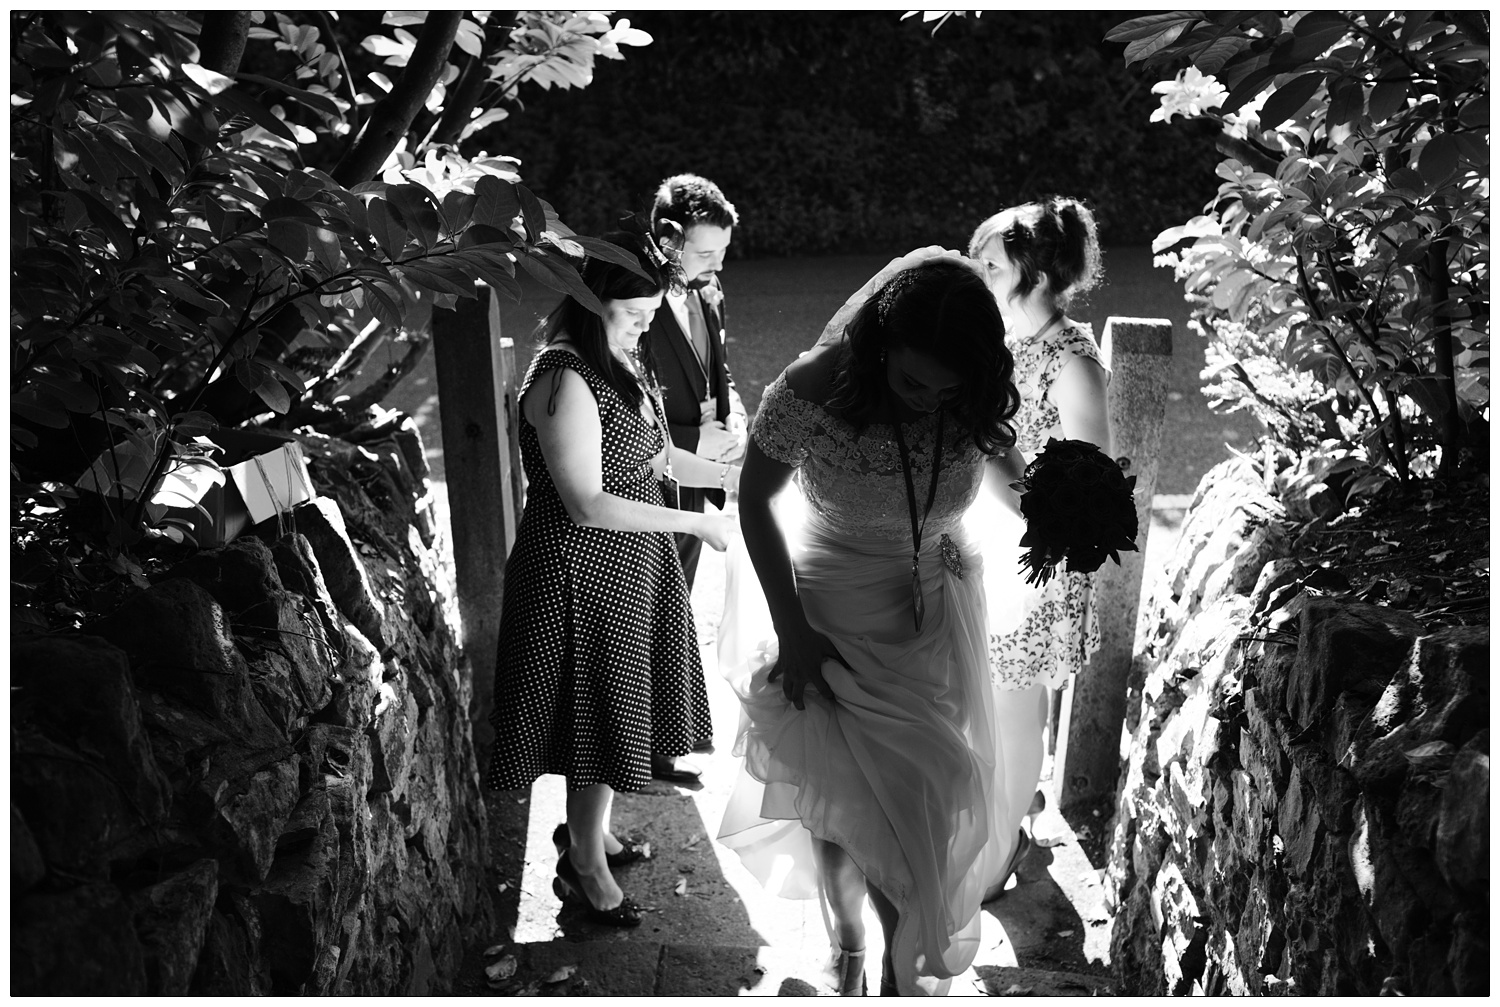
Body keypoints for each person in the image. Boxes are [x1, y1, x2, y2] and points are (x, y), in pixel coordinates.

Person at [717, 253, 1025, 995]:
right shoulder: (814, 386)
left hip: (933, 615)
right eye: (913, 381)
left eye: (945, 389)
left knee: (922, 790)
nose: (927, 400)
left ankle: (899, 961)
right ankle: (853, 937)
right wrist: (791, 630)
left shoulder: (970, 397)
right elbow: (755, 501)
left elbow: (1014, 474)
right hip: (831, 612)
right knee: (842, 794)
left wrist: (1060, 510)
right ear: (881, 344)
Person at [485, 230, 741, 929]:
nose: (646, 325)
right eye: (635, 313)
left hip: (626, 568)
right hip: (577, 570)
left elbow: (656, 460)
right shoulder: (565, 377)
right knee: (594, 713)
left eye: (652, 313)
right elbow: (587, 502)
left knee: (614, 705)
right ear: (591, 301)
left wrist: (725, 479)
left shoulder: (617, 360)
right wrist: (694, 527)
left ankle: (590, 832)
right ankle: (582, 866)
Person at [966, 196, 1111, 899]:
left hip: (1034, 565)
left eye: (990, 262)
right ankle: (1003, 818)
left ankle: (996, 856)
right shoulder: (997, 346)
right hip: (977, 546)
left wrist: (1003, 458)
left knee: (1013, 712)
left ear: (1036, 271)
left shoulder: (1074, 364)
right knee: (978, 709)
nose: (977, 271)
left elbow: (1089, 496)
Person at [640, 173, 748, 782]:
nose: (715, 266)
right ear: (667, 239)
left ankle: (659, 741)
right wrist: (689, 440)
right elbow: (615, 409)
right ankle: (639, 748)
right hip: (647, 481)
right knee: (647, 613)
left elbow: (715, 368)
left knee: (675, 607)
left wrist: (729, 409)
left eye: (722, 253)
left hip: (696, 480)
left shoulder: (708, 292)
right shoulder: (634, 300)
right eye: (705, 253)